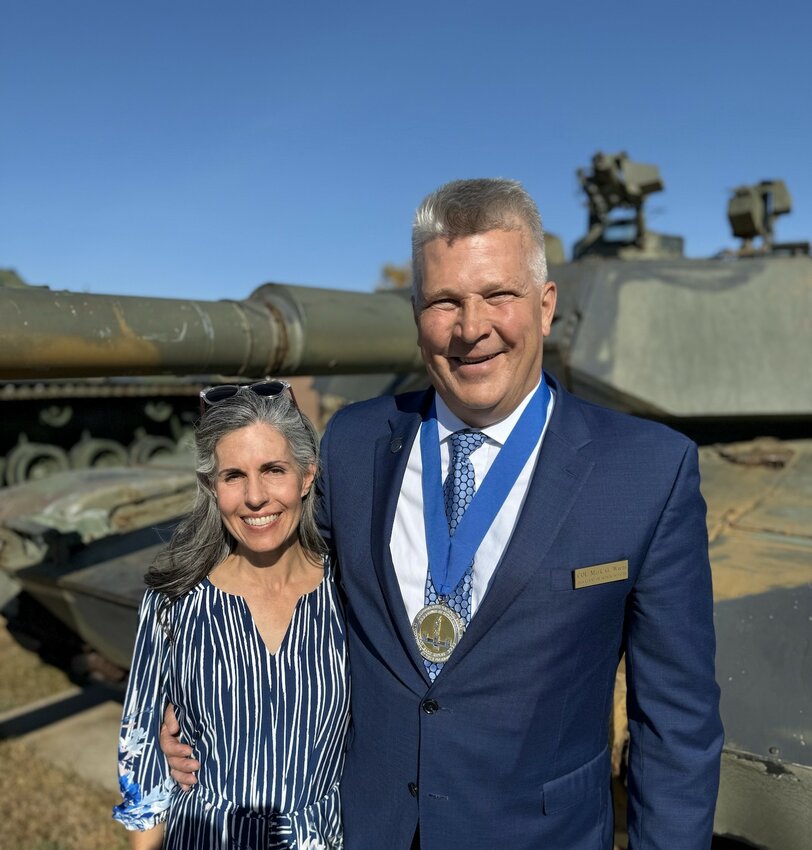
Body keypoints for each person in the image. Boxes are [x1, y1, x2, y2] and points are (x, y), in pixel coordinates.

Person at [163, 179, 723, 849]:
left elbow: (676, 724)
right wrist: (202, 688)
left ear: (545, 307)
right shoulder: (352, 442)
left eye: (498, 295)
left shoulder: (648, 471)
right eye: (445, 301)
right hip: (365, 828)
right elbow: (287, 591)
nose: (471, 327)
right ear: (416, 314)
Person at [113, 381, 349, 849]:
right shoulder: (173, 601)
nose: (255, 497)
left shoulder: (350, 590)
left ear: (307, 476)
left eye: (274, 470)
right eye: (233, 476)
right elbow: (142, 763)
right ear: (210, 486)